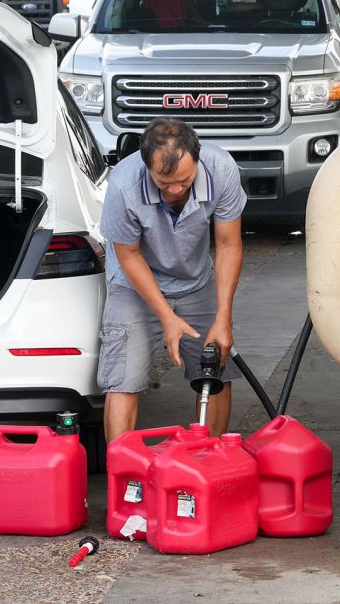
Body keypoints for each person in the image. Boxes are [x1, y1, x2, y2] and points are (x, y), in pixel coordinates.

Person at [98, 118, 247, 440]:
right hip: (132, 285)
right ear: (146, 166)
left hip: (196, 281)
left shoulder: (220, 169)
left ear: (197, 158)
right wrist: (166, 316)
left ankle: (210, 465)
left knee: (215, 373)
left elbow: (228, 244)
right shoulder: (124, 185)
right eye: (164, 184)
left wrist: (223, 319)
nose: (175, 190)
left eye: (184, 180)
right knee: (123, 379)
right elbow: (129, 255)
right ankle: (122, 478)